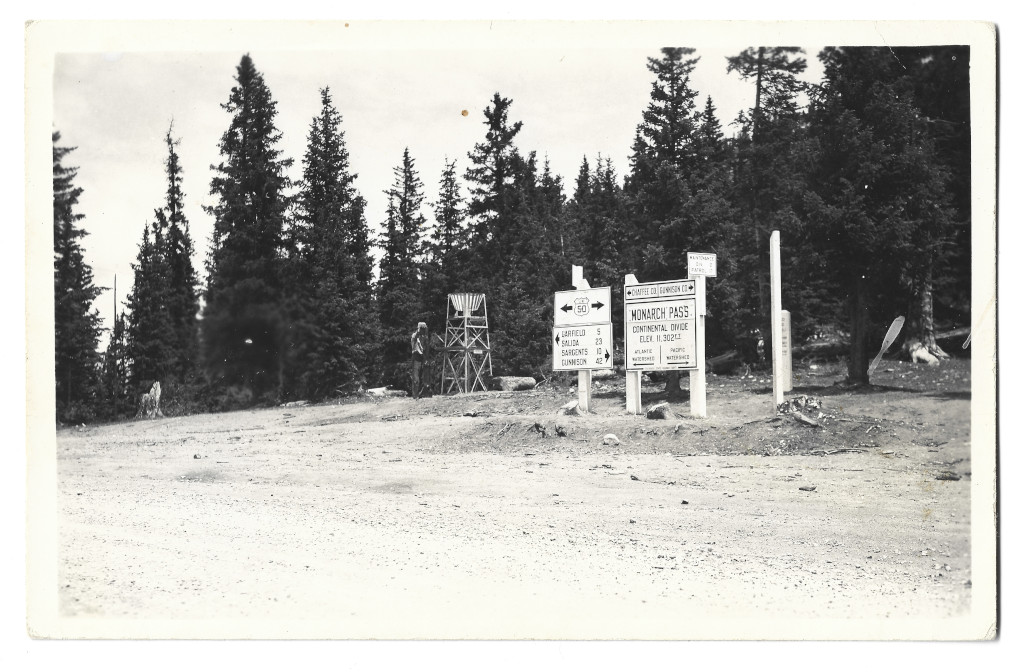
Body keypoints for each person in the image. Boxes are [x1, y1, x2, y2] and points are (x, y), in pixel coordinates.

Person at [410, 322, 429, 399]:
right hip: (416, 357)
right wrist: (419, 330)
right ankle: (415, 394)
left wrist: (426, 359)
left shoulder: (424, 337)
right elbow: (414, 337)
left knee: (422, 377)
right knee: (416, 378)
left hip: (422, 357)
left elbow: (426, 349)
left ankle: (421, 393)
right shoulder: (415, 336)